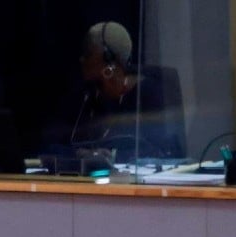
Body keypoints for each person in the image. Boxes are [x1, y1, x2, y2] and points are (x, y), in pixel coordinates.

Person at [42, 21, 185, 163]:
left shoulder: (150, 94)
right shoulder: (85, 95)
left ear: (109, 59)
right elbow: (49, 144)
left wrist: (112, 155)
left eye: (88, 53)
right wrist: (79, 154)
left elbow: (164, 151)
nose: (82, 59)